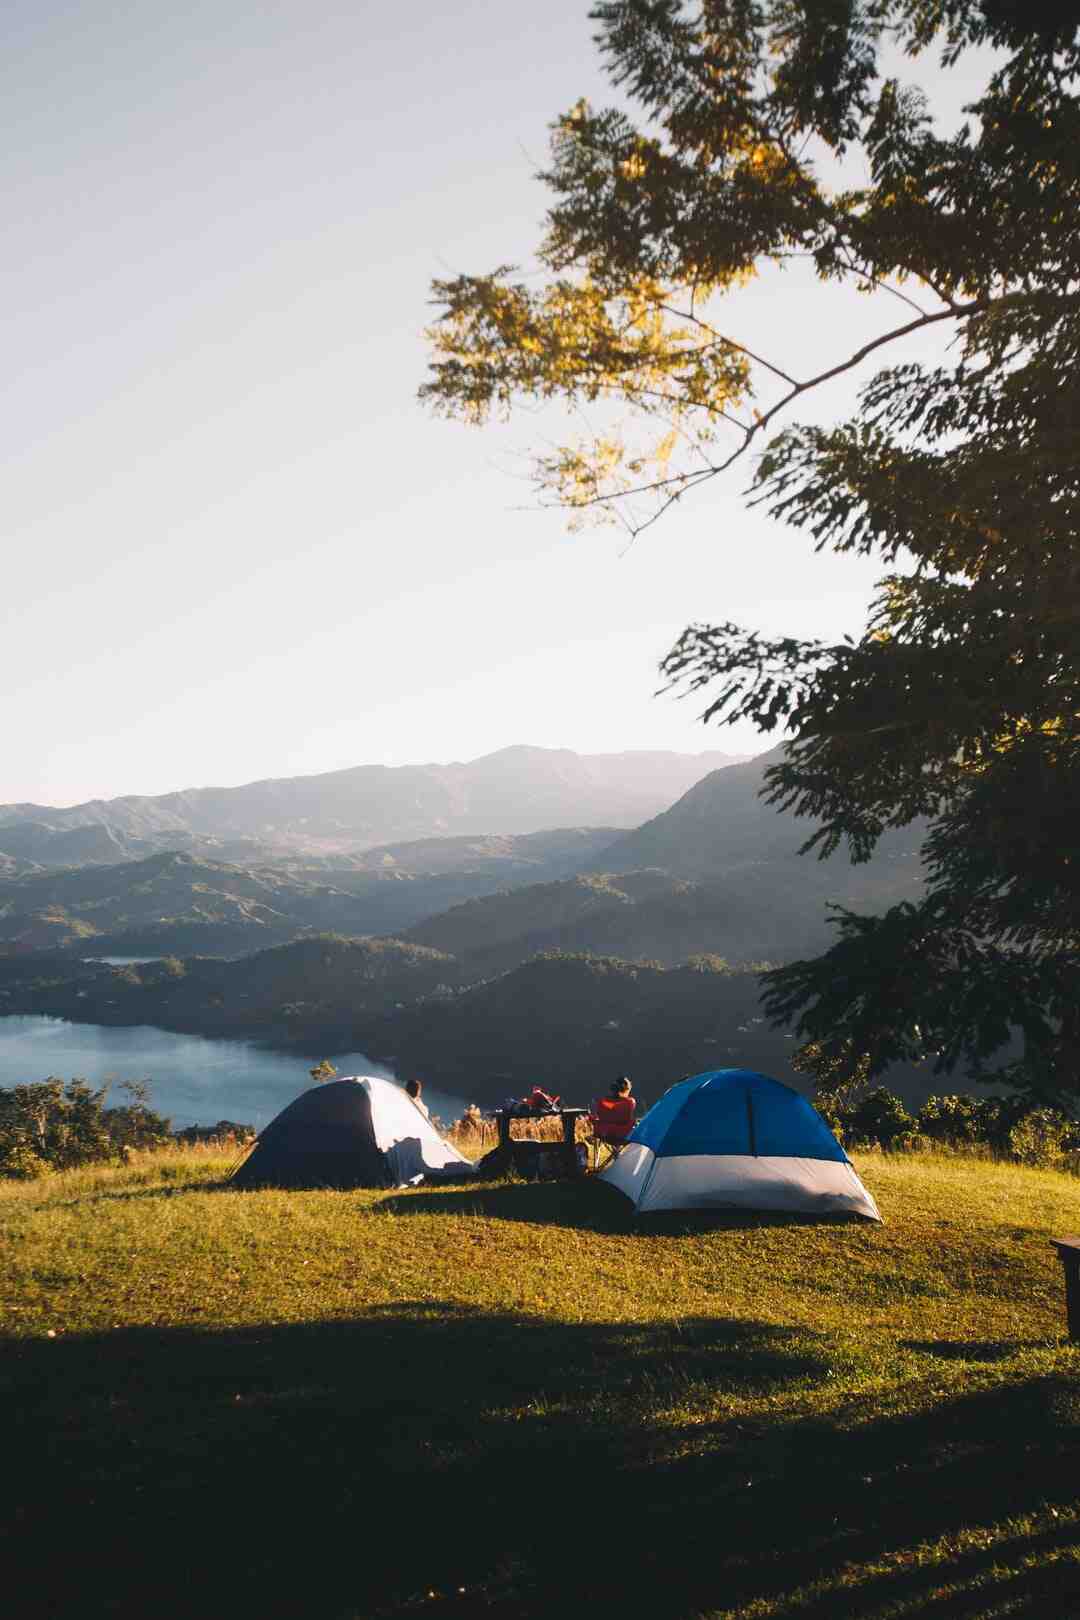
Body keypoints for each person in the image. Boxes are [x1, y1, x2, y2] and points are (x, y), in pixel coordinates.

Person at [592, 1076, 636, 1148]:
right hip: (623, 1136)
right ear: (627, 1090)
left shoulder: (601, 1102)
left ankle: (616, 1151)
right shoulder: (630, 1102)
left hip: (604, 1135)